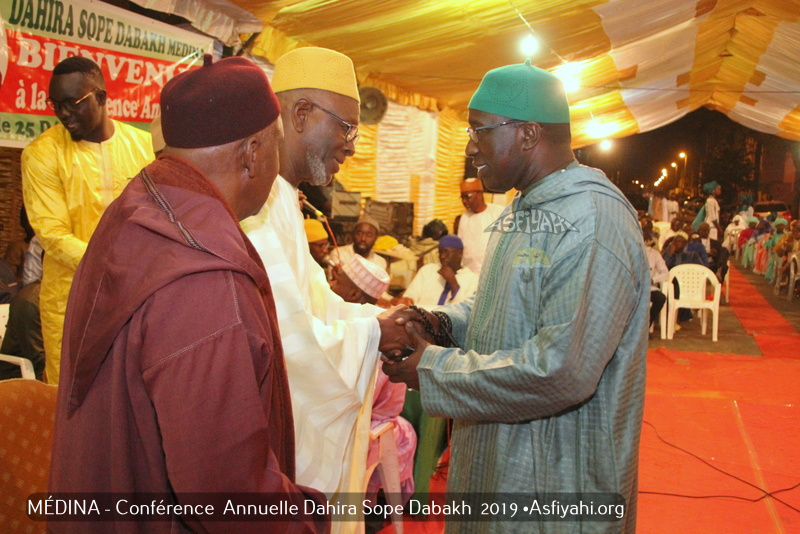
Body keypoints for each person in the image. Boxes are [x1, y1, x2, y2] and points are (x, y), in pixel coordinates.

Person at [47, 55, 327, 533]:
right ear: (253, 152)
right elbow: (223, 491)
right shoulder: (204, 274)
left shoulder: (137, 205)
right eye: (277, 145)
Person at [381, 59, 648, 533]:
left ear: (527, 134)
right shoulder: (526, 209)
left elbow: (562, 370)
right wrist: (439, 323)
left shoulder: (591, 222)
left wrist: (432, 366)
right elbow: (499, 308)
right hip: (499, 471)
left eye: (479, 131)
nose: (469, 147)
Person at [240, 47, 408, 506]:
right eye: (347, 126)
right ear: (299, 114)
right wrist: (375, 332)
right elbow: (288, 338)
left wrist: (381, 319)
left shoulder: (284, 197)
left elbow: (315, 299)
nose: (353, 144)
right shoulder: (258, 202)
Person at [21, 56, 155, 384]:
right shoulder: (41, 153)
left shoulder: (144, 148)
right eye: (56, 103)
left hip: (136, 296)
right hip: (73, 300)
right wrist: (118, 267)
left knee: (132, 389)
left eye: (73, 103)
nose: (63, 113)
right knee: (74, 396)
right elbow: (52, 233)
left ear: (102, 98)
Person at [402, 235, 478, 306]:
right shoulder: (427, 271)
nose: (442, 256)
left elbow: (464, 311)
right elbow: (409, 297)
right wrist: (407, 301)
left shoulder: (472, 279)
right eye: (440, 252)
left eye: (446, 252)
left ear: (459, 253)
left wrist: (453, 282)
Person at [456, 177, 505, 274]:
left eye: (467, 196)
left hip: (492, 273)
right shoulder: (464, 217)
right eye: (462, 197)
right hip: (469, 274)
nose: (464, 201)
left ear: (479, 195)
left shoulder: (498, 213)